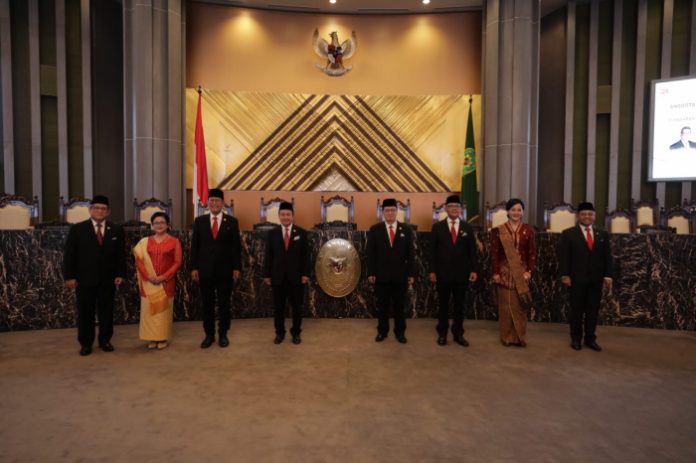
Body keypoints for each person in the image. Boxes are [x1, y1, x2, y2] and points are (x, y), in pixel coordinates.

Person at [63, 195, 126, 356]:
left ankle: (105, 340)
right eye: (96, 208)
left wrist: (121, 274)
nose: (100, 211)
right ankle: (86, 343)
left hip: (108, 279)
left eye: (103, 209)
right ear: (90, 210)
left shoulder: (116, 230)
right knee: (85, 313)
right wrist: (69, 276)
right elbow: (69, 255)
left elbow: (120, 255)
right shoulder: (78, 229)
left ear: (108, 212)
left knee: (107, 312)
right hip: (84, 279)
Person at [558, 202, 613, 351]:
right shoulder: (568, 234)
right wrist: (565, 275)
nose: (587, 216)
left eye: (590, 214)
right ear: (578, 216)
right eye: (583, 214)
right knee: (576, 310)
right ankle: (576, 338)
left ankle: (590, 339)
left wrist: (608, 275)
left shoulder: (602, 234)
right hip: (576, 279)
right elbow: (564, 257)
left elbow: (607, 257)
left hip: (596, 279)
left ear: (594, 216)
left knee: (592, 310)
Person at [190, 188, 242, 349]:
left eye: (217, 201)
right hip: (204, 270)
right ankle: (209, 335)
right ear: (208, 203)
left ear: (222, 203)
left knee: (224, 304)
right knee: (207, 304)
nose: (214, 203)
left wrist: (237, 267)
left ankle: (223, 334)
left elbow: (236, 247)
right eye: (211, 200)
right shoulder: (199, 221)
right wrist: (194, 267)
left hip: (225, 271)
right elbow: (195, 246)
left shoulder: (232, 222)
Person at [428, 194, 478, 347]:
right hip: (442, 274)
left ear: (460, 209)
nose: (455, 209)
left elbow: (472, 252)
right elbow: (432, 252)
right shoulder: (437, 227)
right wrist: (432, 271)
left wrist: (474, 270)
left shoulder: (467, 228)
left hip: (462, 274)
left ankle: (458, 334)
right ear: (446, 209)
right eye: (451, 206)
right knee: (443, 306)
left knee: (459, 306)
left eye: (457, 206)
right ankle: (442, 333)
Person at [366, 198, 416, 343]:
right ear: (382, 212)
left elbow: (411, 254)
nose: (390, 213)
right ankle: (382, 331)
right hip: (381, 275)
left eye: (392, 210)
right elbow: (370, 254)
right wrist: (371, 272)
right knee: (383, 306)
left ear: (396, 211)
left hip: (400, 275)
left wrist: (411, 273)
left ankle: (400, 333)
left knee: (399, 306)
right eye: (387, 210)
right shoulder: (375, 229)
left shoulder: (406, 229)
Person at [490, 198, 537, 347]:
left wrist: (529, 272)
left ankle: (519, 337)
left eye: (519, 210)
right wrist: (495, 272)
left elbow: (532, 254)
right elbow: (494, 254)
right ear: (508, 212)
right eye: (513, 210)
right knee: (505, 306)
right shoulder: (499, 230)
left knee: (519, 307)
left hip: (521, 274)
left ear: (523, 212)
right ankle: (506, 337)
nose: (516, 212)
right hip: (504, 274)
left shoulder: (528, 230)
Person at [262, 202, 310, 345]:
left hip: (297, 278)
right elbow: (268, 255)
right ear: (279, 216)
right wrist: (266, 275)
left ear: (293, 216)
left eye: (288, 214)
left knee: (296, 308)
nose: (285, 217)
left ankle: (296, 333)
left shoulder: (301, 233)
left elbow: (306, 256)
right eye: (282, 214)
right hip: (277, 277)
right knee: (279, 308)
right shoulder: (272, 233)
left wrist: (305, 274)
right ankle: (279, 333)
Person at [133, 212, 182, 350]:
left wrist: (163, 277)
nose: (159, 225)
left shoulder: (174, 241)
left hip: (166, 283)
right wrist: (148, 276)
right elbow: (139, 260)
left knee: (163, 312)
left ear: (168, 225)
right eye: (156, 222)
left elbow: (177, 262)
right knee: (149, 311)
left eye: (162, 222)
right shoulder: (144, 242)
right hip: (148, 282)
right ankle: (152, 338)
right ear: (152, 225)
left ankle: (162, 337)